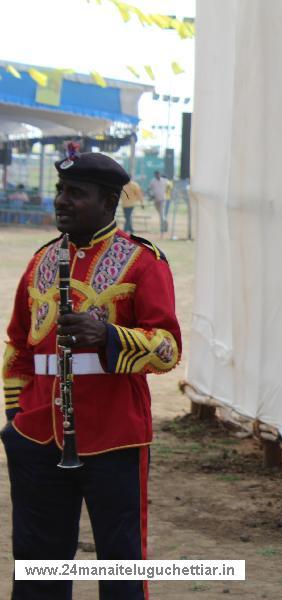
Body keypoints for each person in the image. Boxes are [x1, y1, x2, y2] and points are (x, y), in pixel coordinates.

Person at [1, 145, 181, 599]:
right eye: (60, 191)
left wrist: (107, 335)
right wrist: (16, 422)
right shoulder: (41, 260)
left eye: (75, 193)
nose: (61, 200)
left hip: (114, 434)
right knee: (37, 563)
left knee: (120, 561)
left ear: (107, 202)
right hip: (38, 435)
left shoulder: (144, 261)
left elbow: (167, 348)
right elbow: (18, 348)